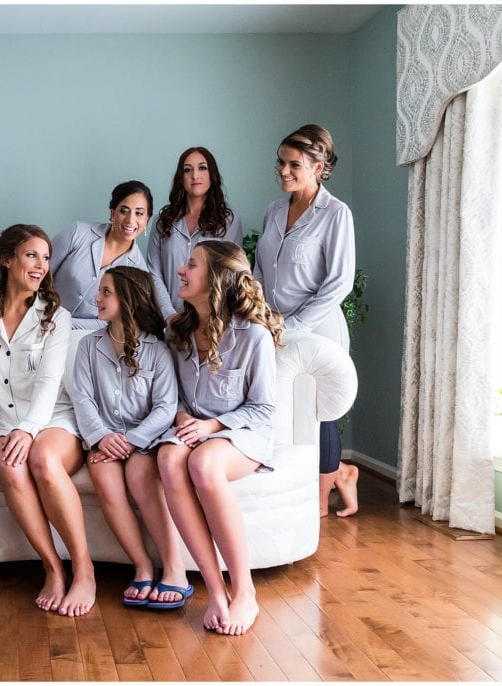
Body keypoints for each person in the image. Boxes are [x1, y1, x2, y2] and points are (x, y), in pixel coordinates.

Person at [156, 240, 284, 635]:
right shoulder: (178, 331)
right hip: (192, 429)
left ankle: (244, 591)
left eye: (191, 265)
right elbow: (171, 393)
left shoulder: (252, 337)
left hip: (241, 434)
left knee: (204, 462)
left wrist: (212, 427)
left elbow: (263, 408)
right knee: (167, 459)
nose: (181, 270)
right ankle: (214, 591)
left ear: (215, 279)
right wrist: (181, 416)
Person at [0, 224, 95, 617]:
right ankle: (52, 568)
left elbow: (49, 382)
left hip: (52, 417)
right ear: (7, 260)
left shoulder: (56, 317)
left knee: (41, 459)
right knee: (11, 463)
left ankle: (85, 569)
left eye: (45, 257)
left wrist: (27, 429)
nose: (41, 265)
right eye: (31, 255)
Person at [252, 124, 358, 517]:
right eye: (280, 162)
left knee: (315, 410)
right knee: (283, 410)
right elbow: (259, 270)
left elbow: (338, 284)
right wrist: (264, 316)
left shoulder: (336, 214)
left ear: (319, 167)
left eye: (293, 164)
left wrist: (291, 326)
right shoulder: (273, 210)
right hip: (273, 327)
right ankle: (339, 475)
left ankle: (316, 503)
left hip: (316, 333)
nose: (283, 170)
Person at [71, 266, 190, 610]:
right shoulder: (88, 347)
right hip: (103, 437)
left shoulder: (158, 349)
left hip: (145, 439)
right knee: (104, 478)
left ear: (128, 298)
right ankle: (141, 565)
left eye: (106, 292)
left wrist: (134, 440)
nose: (97, 298)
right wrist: (101, 436)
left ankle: (173, 567)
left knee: (139, 474)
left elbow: (166, 406)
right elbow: (83, 398)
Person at [148, 146, 243, 319]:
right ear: (180, 178)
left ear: (212, 174)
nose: (195, 175)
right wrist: (169, 315)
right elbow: (154, 273)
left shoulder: (229, 222)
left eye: (202, 167)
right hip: (167, 320)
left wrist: (208, 317)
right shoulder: (163, 221)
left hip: (210, 320)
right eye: (187, 170)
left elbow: (229, 275)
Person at [50, 181, 151, 329]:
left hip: (86, 339)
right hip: (41, 324)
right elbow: (40, 274)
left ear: (147, 219)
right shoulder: (78, 232)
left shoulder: (139, 271)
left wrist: (61, 324)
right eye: (124, 211)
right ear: (112, 212)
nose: (130, 220)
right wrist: (42, 317)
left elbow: (115, 321)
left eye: (139, 213)